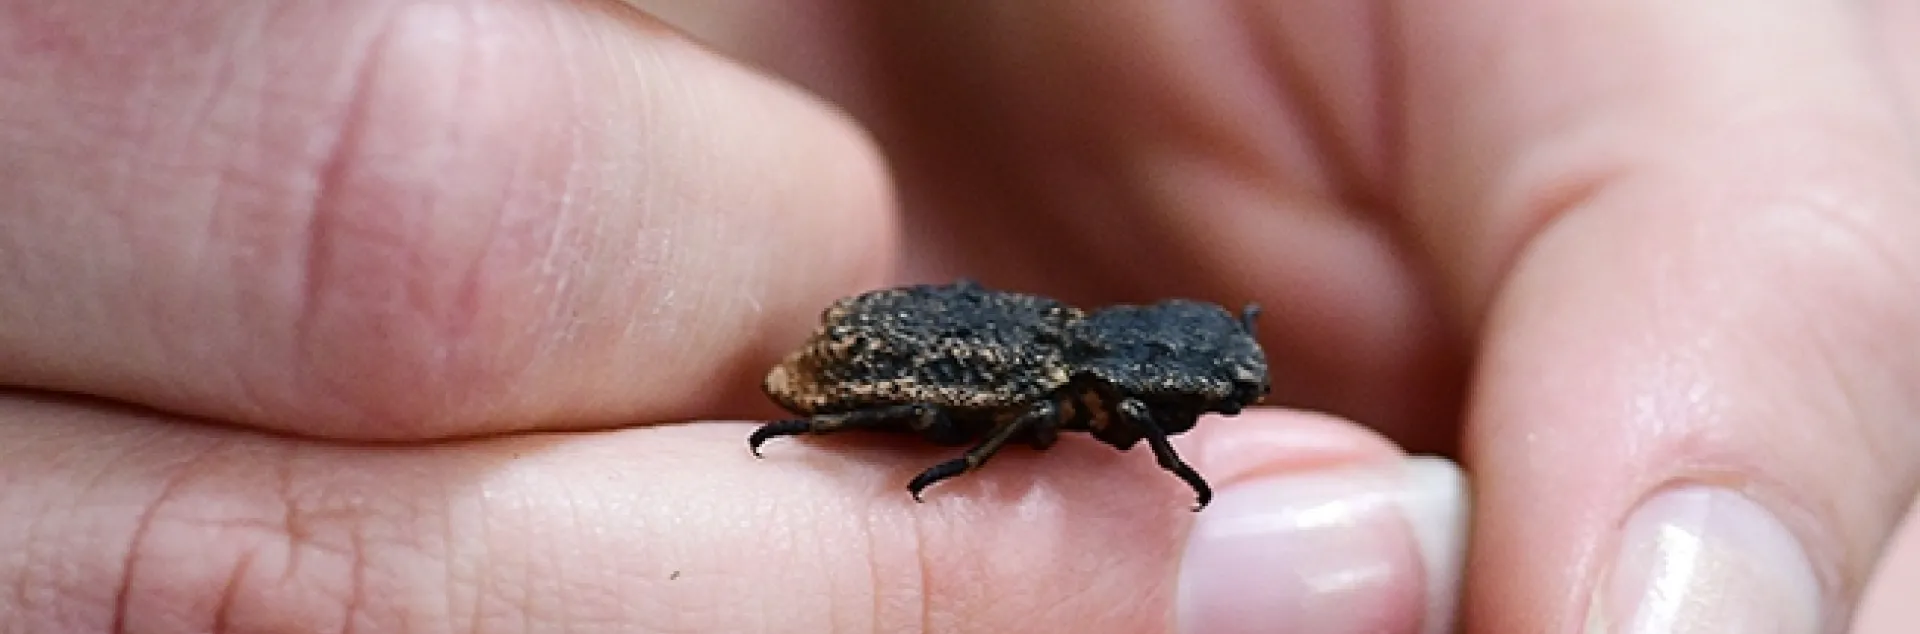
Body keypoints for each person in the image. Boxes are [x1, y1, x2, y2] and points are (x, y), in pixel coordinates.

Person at [1, 1, 1912, 632]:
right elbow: (962, 411)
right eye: (1202, 404)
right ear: (1149, 390)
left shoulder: (1110, 386)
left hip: (980, 307)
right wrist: (825, 426)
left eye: (1212, 404)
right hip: (924, 333)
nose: (1209, 419)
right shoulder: (1043, 395)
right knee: (885, 407)